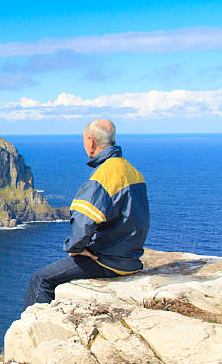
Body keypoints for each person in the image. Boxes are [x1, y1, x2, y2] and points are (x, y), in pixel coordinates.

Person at [23, 119, 150, 309]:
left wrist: (77, 247)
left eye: (84, 139)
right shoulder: (133, 172)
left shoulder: (103, 177)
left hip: (107, 261)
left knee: (40, 280)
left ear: (91, 141)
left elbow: (83, 222)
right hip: (131, 258)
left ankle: (32, 333)